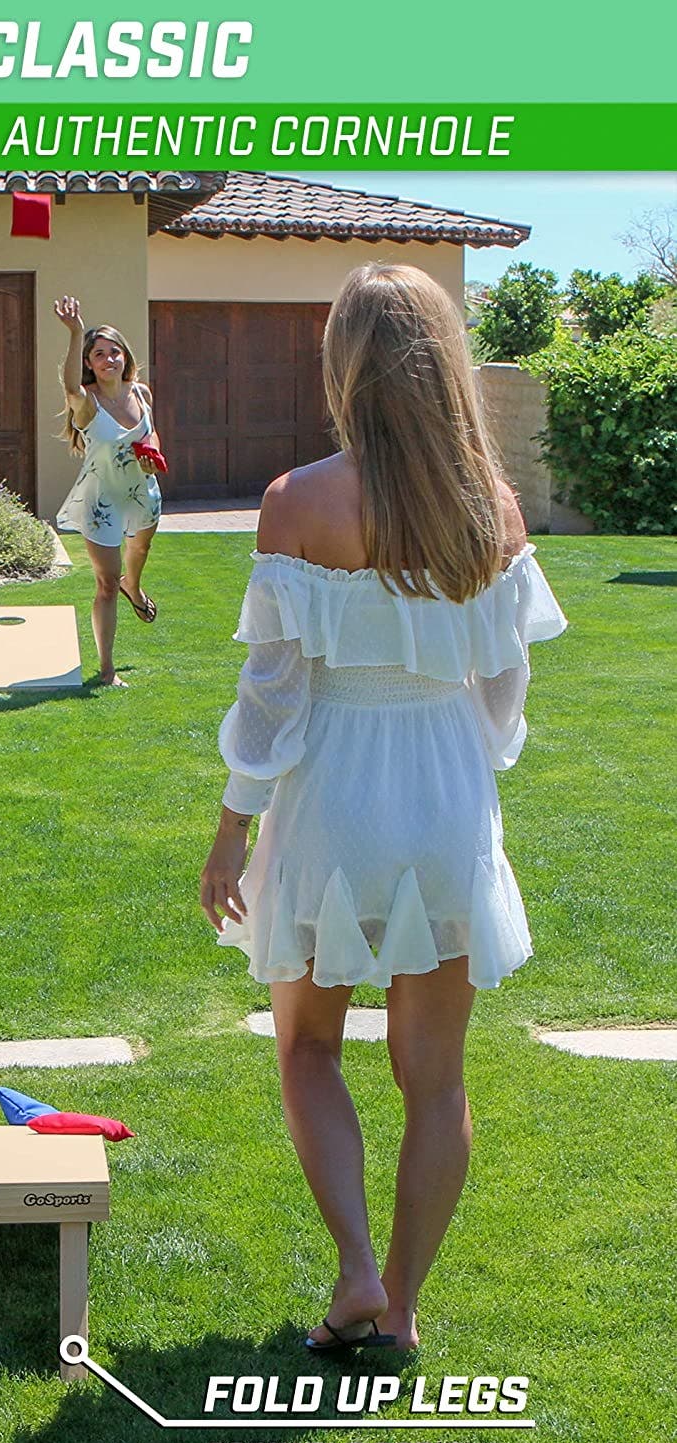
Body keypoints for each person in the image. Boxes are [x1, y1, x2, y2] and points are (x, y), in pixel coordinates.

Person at [200, 263, 566, 1353]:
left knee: (308, 1045)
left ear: (345, 364)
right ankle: (401, 1309)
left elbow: (273, 696)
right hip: (445, 790)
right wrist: (459, 770)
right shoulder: (492, 509)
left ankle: (358, 1271)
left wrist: (233, 824)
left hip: (335, 795)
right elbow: (503, 697)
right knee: (435, 1077)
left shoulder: (295, 502)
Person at [53, 295, 164, 688]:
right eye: (99, 354)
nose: (108, 359)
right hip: (100, 502)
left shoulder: (141, 393)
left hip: (141, 492)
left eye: (114, 352)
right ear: (90, 362)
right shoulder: (86, 403)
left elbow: (151, 433)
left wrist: (154, 454)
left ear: (124, 356)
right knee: (105, 583)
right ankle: (106, 670)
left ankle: (133, 584)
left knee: (140, 550)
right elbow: (69, 385)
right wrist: (75, 331)